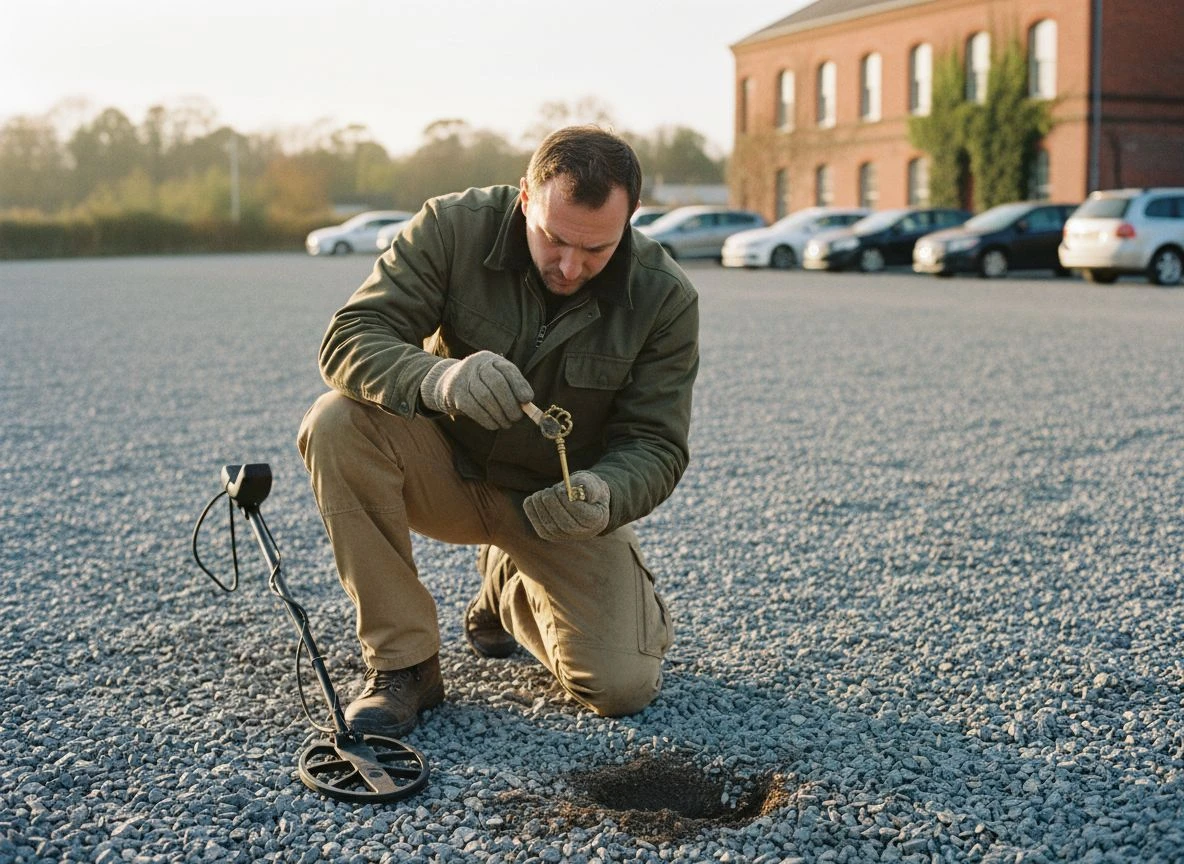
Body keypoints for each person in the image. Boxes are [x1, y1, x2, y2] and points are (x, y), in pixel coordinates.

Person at [297, 126, 699, 737]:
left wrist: (606, 495)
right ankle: (405, 665)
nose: (571, 266)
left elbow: (657, 444)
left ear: (632, 220)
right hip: (442, 473)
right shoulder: (451, 227)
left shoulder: (665, 297)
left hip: (553, 505)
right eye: (555, 239)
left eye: (597, 251)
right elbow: (350, 337)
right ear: (523, 197)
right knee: (335, 421)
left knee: (621, 687)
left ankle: (507, 585)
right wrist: (439, 380)